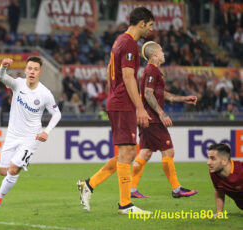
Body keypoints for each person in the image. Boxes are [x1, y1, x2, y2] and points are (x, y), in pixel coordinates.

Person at [77, 7, 154, 214]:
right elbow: (128, 77)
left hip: (118, 101)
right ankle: (124, 203)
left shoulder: (120, 40)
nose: (151, 30)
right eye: (150, 25)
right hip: (123, 103)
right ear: (142, 23)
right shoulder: (129, 43)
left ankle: (90, 184)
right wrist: (139, 108)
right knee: (127, 152)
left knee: (127, 152)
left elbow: (111, 71)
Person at [130, 41, 198, 199]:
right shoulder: (152, 69)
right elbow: (148, 93)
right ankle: (176, 189)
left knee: (145, 153)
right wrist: (161, 114)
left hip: (147, 118)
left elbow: (160, 93)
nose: (163, 53)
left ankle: (131, 189)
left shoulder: (152, 71)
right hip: (152, 118)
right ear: (154, 55)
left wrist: (183, 99)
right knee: (168, 151)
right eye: (161, 51)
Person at [0, 56, 61, 206]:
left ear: (39, 72)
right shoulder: (17, 84)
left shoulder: (45, 93)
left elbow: (57, 114)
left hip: (31, 137)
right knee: (4, 171)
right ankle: (21, 163)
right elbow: (1, 76)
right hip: (12, 135)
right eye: (29, 68)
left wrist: (46, 131)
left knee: (13, 168)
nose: (32, 72)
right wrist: (3, 66)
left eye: (35, 69)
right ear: (25, 70)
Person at [207, 143, 243, 214]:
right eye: (208, 158)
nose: (208, 162)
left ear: (224, 161)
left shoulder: (240, 172)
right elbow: (219, 190)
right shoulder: (214, 172)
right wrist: (219, 212)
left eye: (213, 158)